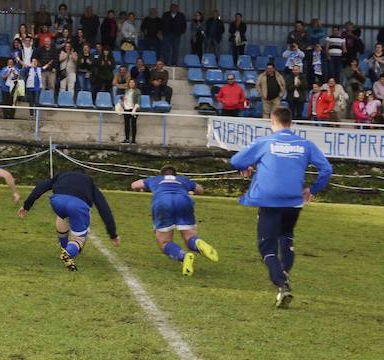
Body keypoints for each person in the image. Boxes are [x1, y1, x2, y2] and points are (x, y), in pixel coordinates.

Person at [229, 107, 332, 308]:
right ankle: (284, 271)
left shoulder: (265, 142)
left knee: (267, 247)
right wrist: (313, 189)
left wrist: (245, 167)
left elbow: (235, 160)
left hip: (269, 200)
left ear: (272, 122)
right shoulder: (305, 144)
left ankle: (282, 285)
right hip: (293, 200)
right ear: (290, 123)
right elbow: (326, 169)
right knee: (286, 234)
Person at [18, 170, 119, 272]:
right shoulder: (90, 183)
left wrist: (27, 206)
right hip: (78, 206)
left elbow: (41, 186)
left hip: (57, 201)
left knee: (63, 216)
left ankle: (64, 247)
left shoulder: (61, 175)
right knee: (78, 240)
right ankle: (68, 253)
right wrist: (113, 234)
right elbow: (104, 208)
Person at [130, 166, 219, 276]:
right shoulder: (183, 180)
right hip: (183, 201)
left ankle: (183, 256)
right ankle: (197, 243)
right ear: (175, 175)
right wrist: (190, 190)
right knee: (189, 237)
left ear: (161, 174)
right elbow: (200, 189)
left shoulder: (155, 179)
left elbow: (134, 185)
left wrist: (143, 188)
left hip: (163, 202)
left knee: (164, 242)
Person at [120, 79, 141, 144]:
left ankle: (133, 140)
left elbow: (138, 101)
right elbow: (125, 99)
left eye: (133, 82)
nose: (131, 83)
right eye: (130, 82)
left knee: (133, 124)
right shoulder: (126, 90)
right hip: (126, 109)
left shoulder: (137, 91)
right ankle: (127, 139)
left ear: (135, 83)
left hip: (133, 109)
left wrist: (134, 109)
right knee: (126, 124)